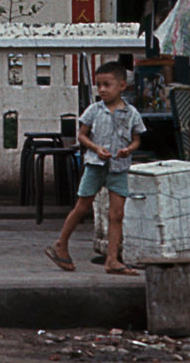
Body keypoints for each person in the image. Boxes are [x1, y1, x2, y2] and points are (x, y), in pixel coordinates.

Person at [45, 60, 145, 276]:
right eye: (98, 85)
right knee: (82, 207)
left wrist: (129, 149)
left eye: (107, 85)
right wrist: (95, 148)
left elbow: (137, 139)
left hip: (119, 167)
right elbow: (82, 135)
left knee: (117, 214)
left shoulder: (131, 113)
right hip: (95, 165)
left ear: (121, 86)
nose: (102, 90)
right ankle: (61, 243)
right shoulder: (94, 110)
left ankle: (112, 259)